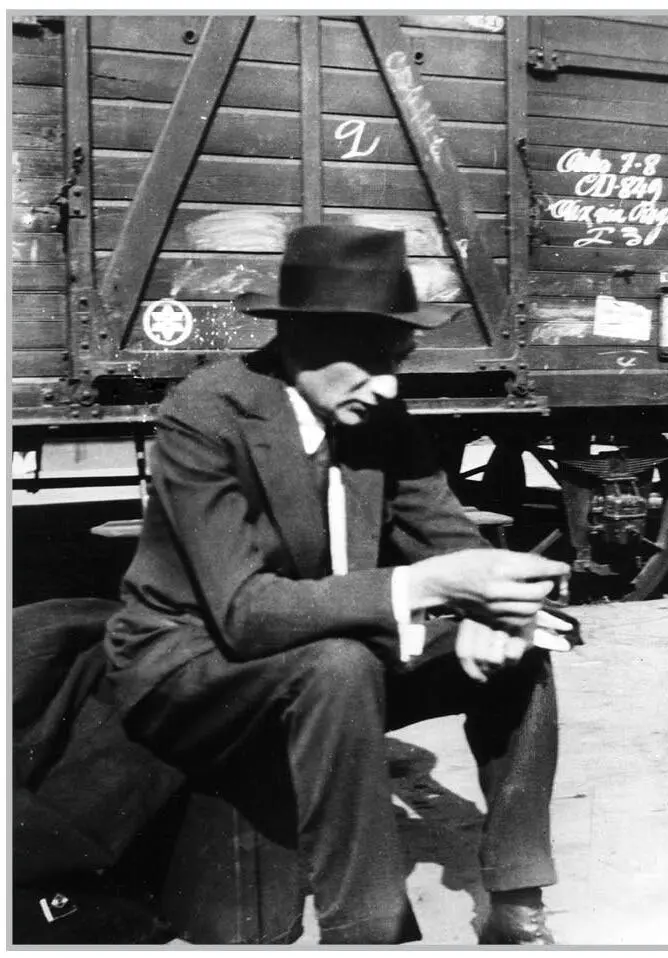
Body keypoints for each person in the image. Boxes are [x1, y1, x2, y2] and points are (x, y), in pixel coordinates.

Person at [104, 225, 570, 945]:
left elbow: (449, 535)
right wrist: (422, 585)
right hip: (194, 668)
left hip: (324, 651)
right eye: (372, 362)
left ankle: (517, 898)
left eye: (398, 361)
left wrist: (491, 608)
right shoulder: (206, 411)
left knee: (520, 654)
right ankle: (371, 931)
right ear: (302, 340)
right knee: (342, 664)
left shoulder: (376, 410)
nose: (388, 385)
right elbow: (243, 614)